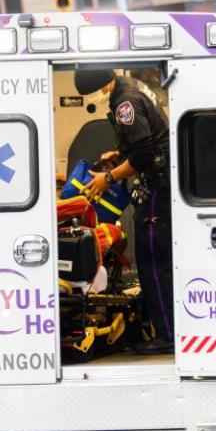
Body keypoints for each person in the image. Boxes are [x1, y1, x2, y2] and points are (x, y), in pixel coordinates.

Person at [73, 69, 174, 354]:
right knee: (155, 257)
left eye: (94, 91)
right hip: (159, 182)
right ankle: (167, 329)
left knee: (153, 259)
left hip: (158, 184)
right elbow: (144, 141)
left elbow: (144, 154)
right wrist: (119, 156)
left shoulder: (125, 102)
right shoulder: (130, 87)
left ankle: (167, 333)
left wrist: (108, 178)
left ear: (105, 84)